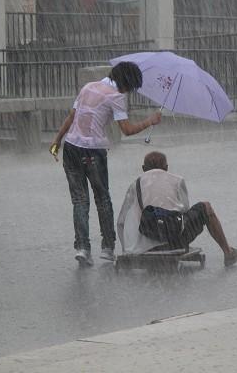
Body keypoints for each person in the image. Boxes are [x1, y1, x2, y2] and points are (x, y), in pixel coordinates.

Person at [51, 62, 162, 266]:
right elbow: (127, 130)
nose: (128, 91)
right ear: (125, 82)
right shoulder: (116, 96)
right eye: (130, 86)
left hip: (71, 149)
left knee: (79, 201)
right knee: (102, 199)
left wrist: (57, 141)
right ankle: (108, 248)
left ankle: (83, 248)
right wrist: (150, 121)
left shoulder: (88, 87)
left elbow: (71, 117)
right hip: (93, 151)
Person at [116, 151, 237, 267]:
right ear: (166, 168)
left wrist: (128, 249)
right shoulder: (177, 180)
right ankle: (228, 252)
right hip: (174, 241)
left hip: (142, 246)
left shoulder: (135, 184)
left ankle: (147, 244)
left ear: (143, 169)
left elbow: (121, 221)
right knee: (206, 207)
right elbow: (184, 211)